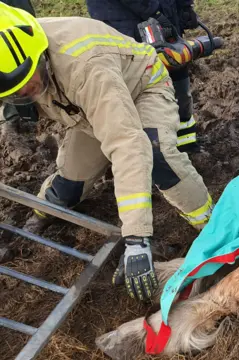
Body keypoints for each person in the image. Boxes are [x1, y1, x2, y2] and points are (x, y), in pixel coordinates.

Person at [0, 4, 214, 301]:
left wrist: (137, 239)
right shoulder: (11, 51)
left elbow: (128, 144)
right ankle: (41, 213)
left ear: (40, 54)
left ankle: (211, 224)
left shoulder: (84, 65)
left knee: (156, 156)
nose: (28, 93)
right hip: (84, 110)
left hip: (142, 88)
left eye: (31, 80)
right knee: (69, 186)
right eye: (16, 94)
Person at [85, 0, 201, 153]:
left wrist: (184, 6)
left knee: (175, 68)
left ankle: (184, 142)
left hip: (160, 12)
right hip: (123, 20)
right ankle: (147, 151)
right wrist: (154, 11)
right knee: (137, 86)